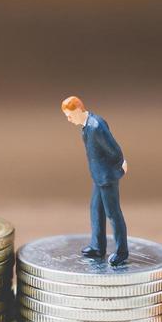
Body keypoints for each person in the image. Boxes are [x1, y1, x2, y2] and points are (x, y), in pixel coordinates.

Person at [61, 95, 129, 265]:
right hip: (98, 176)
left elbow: (114, 149)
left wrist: (119, 165)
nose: (68, 120)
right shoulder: (85, 127)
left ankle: (122, 252)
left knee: (113, 214)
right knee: (95, 210)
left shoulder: (96, 126)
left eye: (69, 115)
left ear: (77, 110)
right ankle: (98, 246)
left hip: (107, 177)